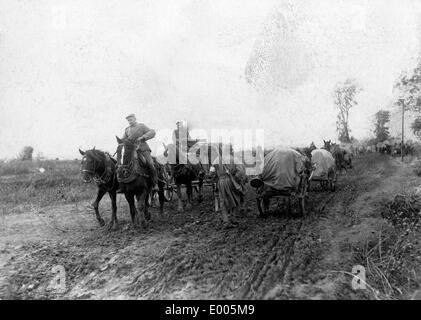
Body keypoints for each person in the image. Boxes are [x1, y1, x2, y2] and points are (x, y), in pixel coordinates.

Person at [116, 114, 157, 192]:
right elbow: (123, 139)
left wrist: (143, 137)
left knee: (150, 164)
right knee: (121, 165)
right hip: (131, 150)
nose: (129, 121)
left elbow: (152, 132)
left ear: (135, 119)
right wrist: (120, 142)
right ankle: (122, 186)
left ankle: (155, 184)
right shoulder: (127, 129)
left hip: (143, 149)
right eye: (128, 120)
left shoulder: (141, 126)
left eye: (131, 119)